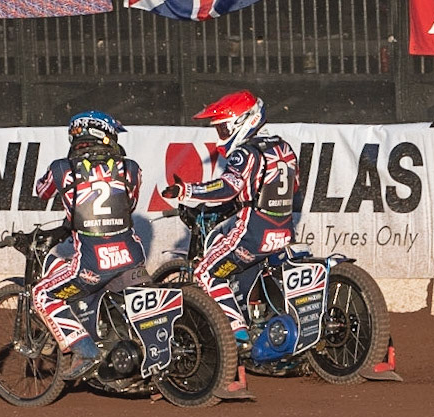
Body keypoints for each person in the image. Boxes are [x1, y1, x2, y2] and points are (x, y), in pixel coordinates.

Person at [163, 91, 297, 351]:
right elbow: (294, 186)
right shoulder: (282, 147)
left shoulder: (245, 153)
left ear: (243, 121)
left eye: (223, 127)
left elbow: (228, 187)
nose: (220, 134)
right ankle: (258, 320)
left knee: (205, 271)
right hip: (283, 232)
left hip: (254, 233)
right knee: (246, 270)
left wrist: (187, 191)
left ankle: (238, 337)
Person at [32, 111, 145, 384]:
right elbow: (129, 205)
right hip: (132, 254)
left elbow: (41, 190)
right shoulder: (130, 167)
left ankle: (84, 351)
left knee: (42, 294)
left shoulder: (62, 168)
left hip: (93, 263)